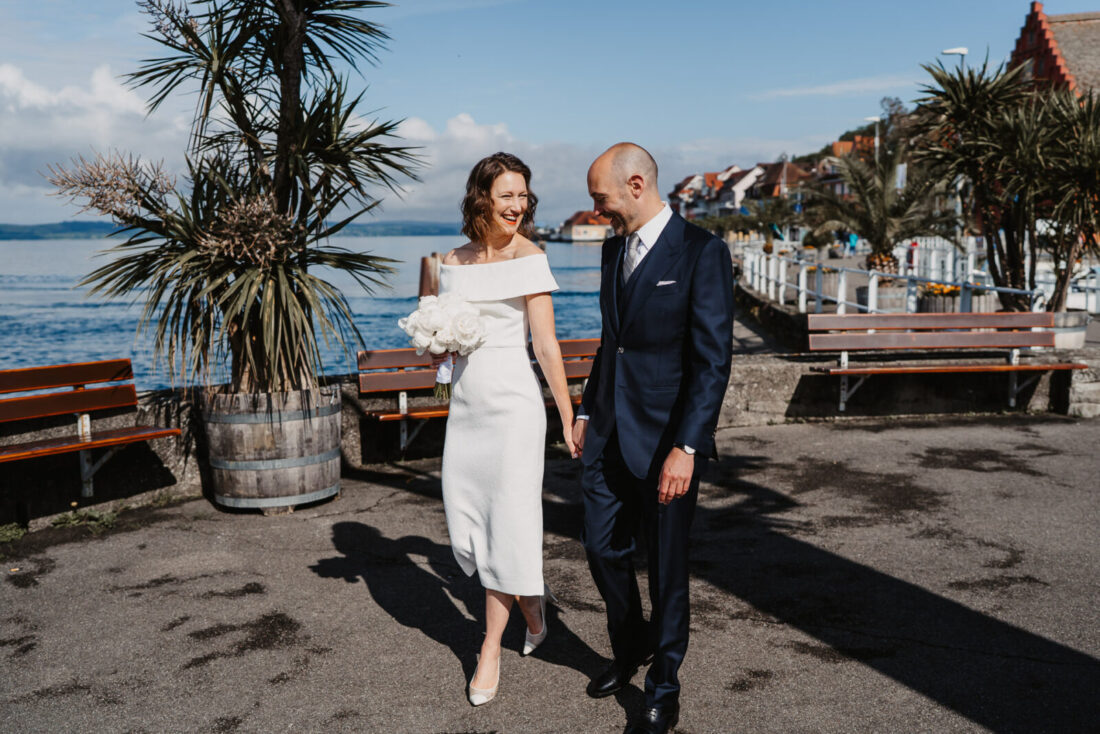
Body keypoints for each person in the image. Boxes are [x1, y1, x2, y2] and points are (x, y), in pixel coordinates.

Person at [572, 143, 734, 734]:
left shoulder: (701, 253)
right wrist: (589, 410)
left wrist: (687, 448)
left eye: (602, 198)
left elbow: (713, 361)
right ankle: (631, 643)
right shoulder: (614, 250)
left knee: (667, 569)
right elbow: (610, 343)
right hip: (609, 434)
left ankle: (664, 681)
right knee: (599, 545)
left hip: (668, 443)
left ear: (636, 185)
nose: (597, 211)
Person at [438, 152, 577, 706]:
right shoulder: (451, 260)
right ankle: (532, 601)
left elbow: (544, 344)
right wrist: (436, 345)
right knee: (466, 518)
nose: (518, 205)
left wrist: (568, 415)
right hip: (467, 409)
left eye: (523, 195)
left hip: (516, 409)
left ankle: (489, 647)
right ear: (482, 200)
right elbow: (443, 341)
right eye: (507, 196)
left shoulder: (532, 258)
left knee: (504, 525)